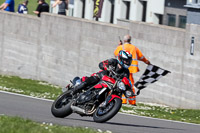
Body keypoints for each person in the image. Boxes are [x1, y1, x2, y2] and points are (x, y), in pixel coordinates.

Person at [114, 35, 151, 106]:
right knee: (129, 85)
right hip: (131, 70)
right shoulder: (134, 48)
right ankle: (132, 102)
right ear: (130, 40)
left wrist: (119, 46)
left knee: (122, 83)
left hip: (122, 69)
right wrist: (147, 62)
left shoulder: (121, 47)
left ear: (124, 40)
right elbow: (141, 57)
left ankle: (123, 100)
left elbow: (116, 54)